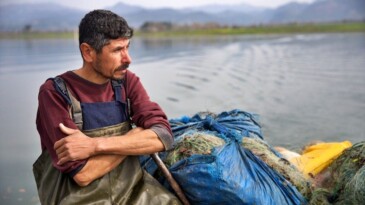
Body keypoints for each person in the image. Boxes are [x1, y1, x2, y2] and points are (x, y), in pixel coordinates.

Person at [33, 9, 181, 205]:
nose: (128, 59)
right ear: (88, 52)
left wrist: (94, 145)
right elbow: (83, 174)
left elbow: (163, 136)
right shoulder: (54, 92)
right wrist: (135, 139)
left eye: (127, 48)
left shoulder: (127, 81)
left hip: (135, 191)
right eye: (117, 50)